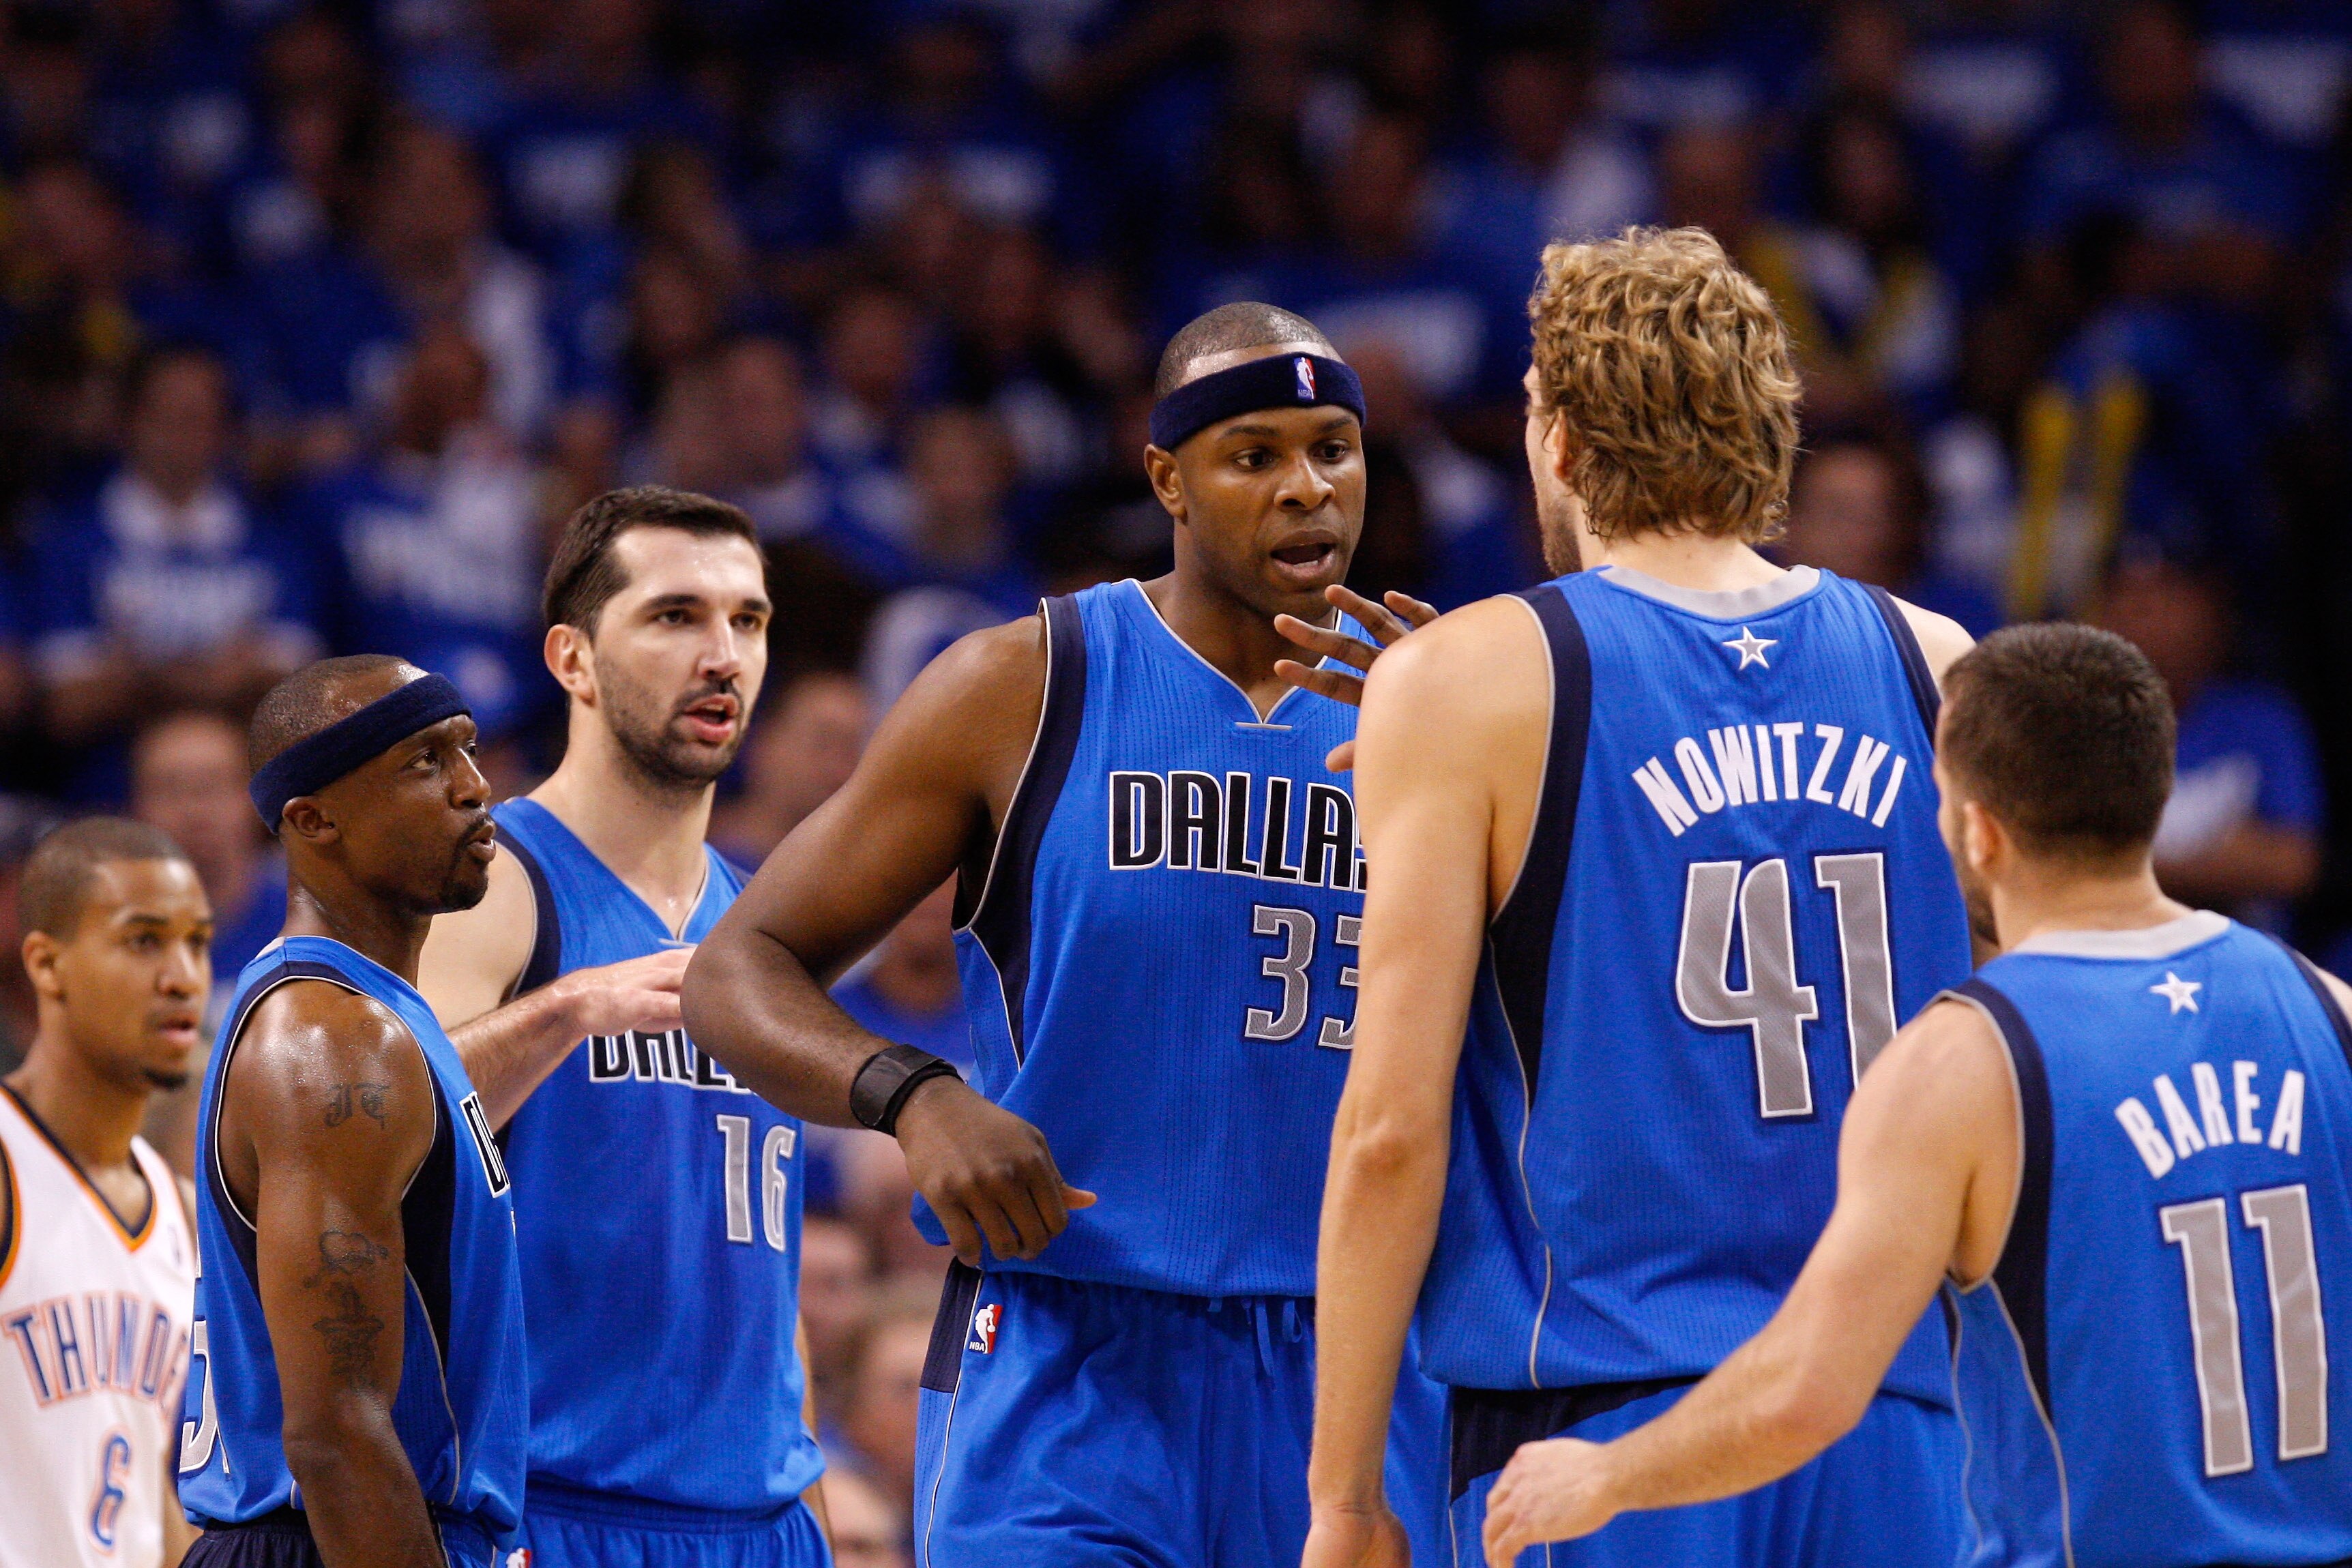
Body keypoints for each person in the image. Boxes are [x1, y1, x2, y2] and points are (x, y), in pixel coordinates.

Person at [683, 301, 1451, 1567]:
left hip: (1358, 1357)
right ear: (1168, 480)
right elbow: (735, 969)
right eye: (1253, 455)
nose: (1306, 488)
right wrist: (915, 1094)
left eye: (1333, 448)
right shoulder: (1027, 684)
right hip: (1068, 1350)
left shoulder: (1456, 695)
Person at [1299, 227, 1978, 1568]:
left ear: (1552, 438)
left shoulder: (1477, 681)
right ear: (1765, 431)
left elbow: (1387, 1128)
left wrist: (1339, 1493)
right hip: (1892, 1413)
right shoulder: (1936, 664)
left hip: (1599, 1429)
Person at [1474, 624, 2352, 1566]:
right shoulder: (2328, 1008)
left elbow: (1805, 1389)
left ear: (1978, 826)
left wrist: (1607, 1473)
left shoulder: (1963, 1062)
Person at [414, 486, 829, 1567]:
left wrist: (810, 1503)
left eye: (749, 620)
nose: (724, 653)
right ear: (572, 658)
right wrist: (566, 1008)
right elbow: (380, 1137)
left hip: (760, 1517)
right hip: (552, 1503)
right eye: (675, 615)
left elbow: (764, 1265)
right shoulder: (496, 876)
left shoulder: (766, 923)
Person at [176, 655, 527, 1567]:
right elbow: (338, 1432)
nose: (473, 786)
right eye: (423, 761)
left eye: (469, 748)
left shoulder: (376, 1022)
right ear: (312, 818)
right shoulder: (331, 1043)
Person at [1, 817, 209, 1568]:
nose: (183, 975)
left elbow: (160, 1497)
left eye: (198, 940)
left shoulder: (183, 1214)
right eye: (144, 939)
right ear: (47, 964)